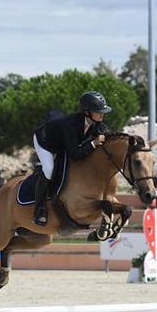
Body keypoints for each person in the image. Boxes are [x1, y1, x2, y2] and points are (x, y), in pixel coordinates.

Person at [31, 91, 112, 226]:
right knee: (49, 169)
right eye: (98, 111)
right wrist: (93, 143)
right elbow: (75, 155)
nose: (102, 114)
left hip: (63, 143)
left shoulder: (96, 122)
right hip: (45, 140)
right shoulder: (71, 125)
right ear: (87, 112)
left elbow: (108, 135)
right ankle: (38, 209)